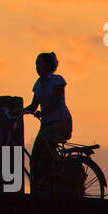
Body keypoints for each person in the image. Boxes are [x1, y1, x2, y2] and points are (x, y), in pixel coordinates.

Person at [24, 52, 72, 194]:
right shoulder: (38, 84)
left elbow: (57, 102)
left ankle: (61, 170)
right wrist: (19, 111)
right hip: (46, 124)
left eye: (40, 64)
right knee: (36, 156)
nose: (37, 67)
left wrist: (43, 113)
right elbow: (33, 106)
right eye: (36, 64)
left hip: (61, 122)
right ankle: (39, 189)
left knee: (44, 143)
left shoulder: (57, 80)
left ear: (49, 65)